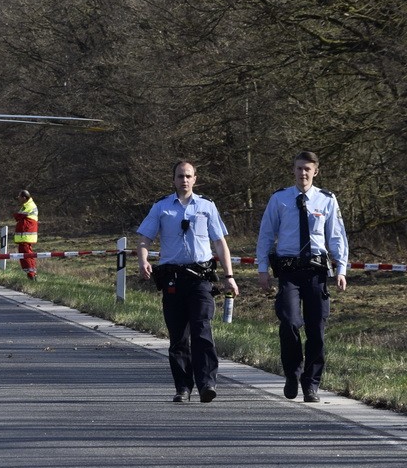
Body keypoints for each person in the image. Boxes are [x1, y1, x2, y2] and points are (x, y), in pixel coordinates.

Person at [137, 161, 239, 403]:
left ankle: (207, 384)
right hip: (173, 280)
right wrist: (143, 261)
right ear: (173, 179)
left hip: (201, 280)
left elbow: (219, 243)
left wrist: (229, 276)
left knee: (202, 330)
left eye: (188, 176)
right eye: (180, 176)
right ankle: (183, 388)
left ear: (195, 179)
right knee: (178, 337)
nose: (184, 180)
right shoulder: (161, 207)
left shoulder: (207, 206)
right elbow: (144, 238)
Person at [256, 151, 349, 403]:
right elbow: (266, 234)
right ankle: (292, 373)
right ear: (293, 170)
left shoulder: (327, 200)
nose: (303, 173)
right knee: (289, 322)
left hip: (316, 272)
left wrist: (341, 270)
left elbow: (337, 236)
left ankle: (311, 384)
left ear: (315, 171)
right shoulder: (280, 199)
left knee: (316, 329)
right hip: (289, 272)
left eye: (307, 169)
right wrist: (262, 269)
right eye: (299, 169)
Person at [13, 190, 39, 280]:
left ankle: (31, 275)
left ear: (24, 198)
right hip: (25, 237)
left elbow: (18, 216)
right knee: (26, 255)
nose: (18, 199)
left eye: (19, 197)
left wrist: (16, 215)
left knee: (26, 256)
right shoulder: (26, 205)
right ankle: (31, 274)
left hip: (26, 237)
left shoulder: (29, 206)